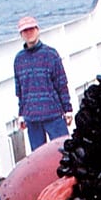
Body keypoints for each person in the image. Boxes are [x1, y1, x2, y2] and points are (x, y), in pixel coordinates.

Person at [14, 15, 74, 151]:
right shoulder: (18, 59)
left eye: (31, 29)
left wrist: (68, 110)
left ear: (38, 30)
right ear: (21, 35)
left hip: (53, 115)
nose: (29, 33)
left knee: (65, 153)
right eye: (25, 31)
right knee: (39, 158)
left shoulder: (51, 54)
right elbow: (20, 91)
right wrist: (21, 115)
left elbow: (61, 84)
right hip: (31, 118)